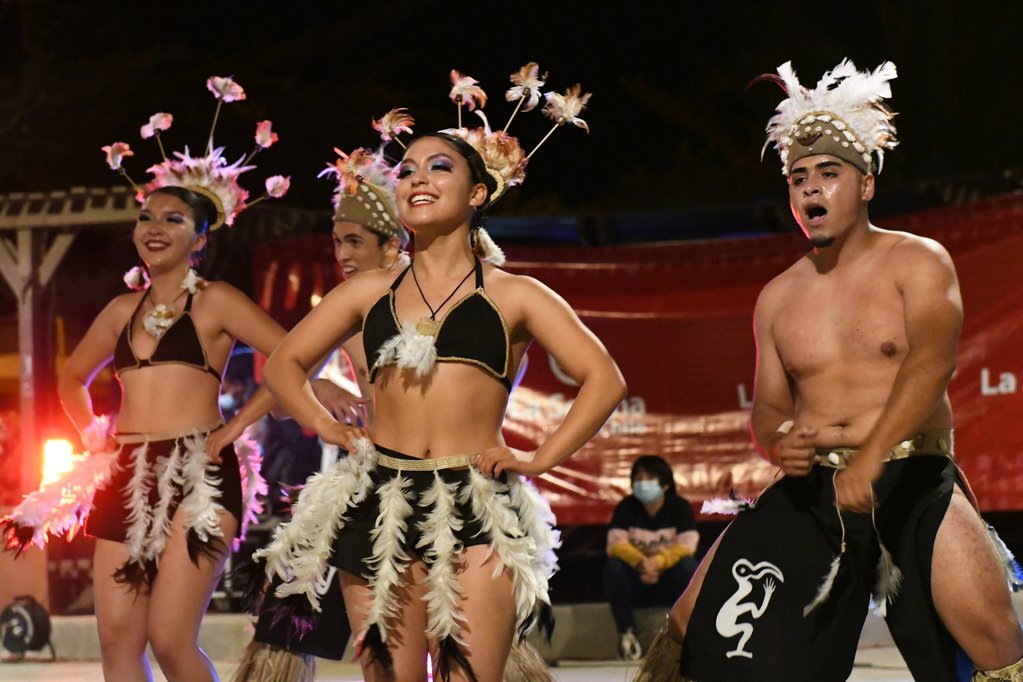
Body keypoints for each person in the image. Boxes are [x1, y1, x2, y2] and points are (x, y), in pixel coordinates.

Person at [639, 60, 1023, 682]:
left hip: (911, 477)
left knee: (993, 636)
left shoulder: (918, 261)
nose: (811, 189)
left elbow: (932, 364)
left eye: (828, 174)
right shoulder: (778, 297)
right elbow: (767, 406)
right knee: (692, 625)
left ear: (866, 184)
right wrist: (777, 442)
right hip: (814, 489)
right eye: (798, 178)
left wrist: (871, 460)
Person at [255, 66, 626, 682]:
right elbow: (282, 364)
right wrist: (325, 424)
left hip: (476, 501)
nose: (417, 178)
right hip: (378, 498)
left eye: (439, 167)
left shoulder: (517, 294)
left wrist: (538, 459)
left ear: (479, 193)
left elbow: (604, 378)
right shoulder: (368, 292)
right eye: (406, 170)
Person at [3, 77, 289, 682]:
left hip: (201, 471)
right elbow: (71, 377)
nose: (154, 227)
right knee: (118, 641)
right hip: (125, 472)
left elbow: (291, 359)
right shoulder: (118, 312)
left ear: (201, 238)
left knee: (168, 636)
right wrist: (90, 437)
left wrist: (236, 425)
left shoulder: (217, 303)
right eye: (147, 217)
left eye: (174, 219)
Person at [232, 132, 410, 681]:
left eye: (356, 242)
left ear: (392, 242)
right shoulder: (344, 306)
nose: (344, 255)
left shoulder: (433, 296)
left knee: (431, 639)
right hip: (368, 474)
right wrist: (322, 399)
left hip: (438, 473)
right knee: (339, 634)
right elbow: (283, 387)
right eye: (338, 242)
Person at [604, 455, 698, 661]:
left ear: (664, 485)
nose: (642, 484)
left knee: (689, 568)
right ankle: (627, 634)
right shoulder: (626, 507)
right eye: (638, 479)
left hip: (668, 581)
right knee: (614, 568)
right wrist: (642, 562)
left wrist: (658, 562)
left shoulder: (679, 507)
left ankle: (687, 633)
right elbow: (615, 544)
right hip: (637, 581)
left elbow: (687, 545)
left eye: (649, 479)